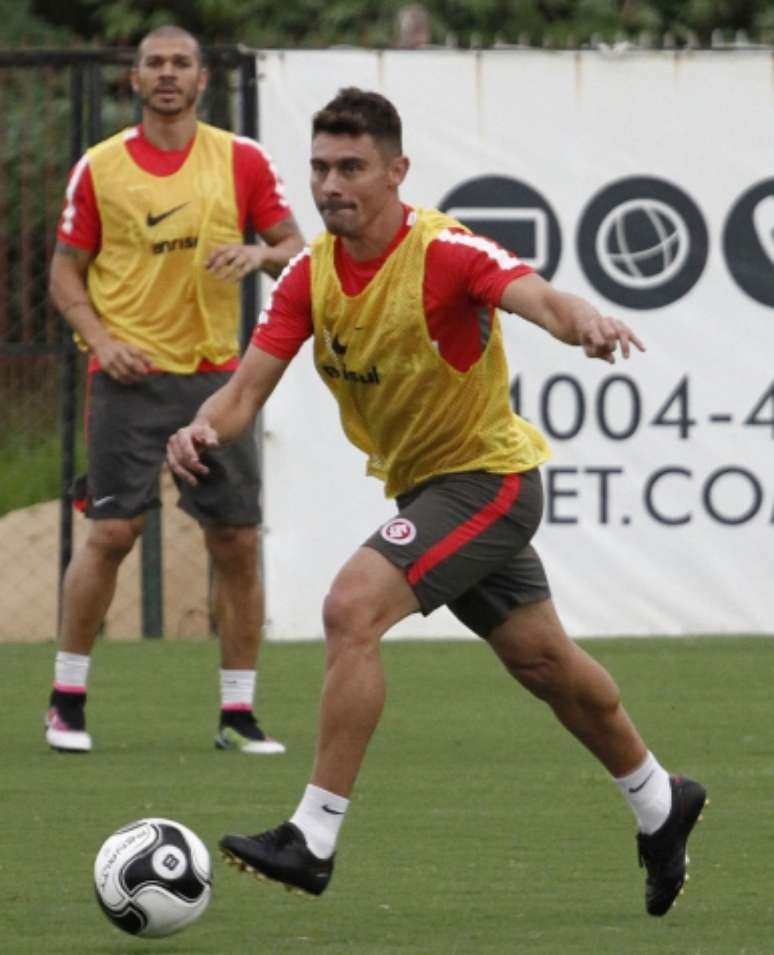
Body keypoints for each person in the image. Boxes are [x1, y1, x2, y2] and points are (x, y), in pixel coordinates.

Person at [166, 88, 707, 916]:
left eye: (351, 168)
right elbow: (241, 395)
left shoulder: (445, 250)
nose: (331, 184)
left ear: (396, 171)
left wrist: (585, 322)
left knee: (353, 606)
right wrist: (199, 431)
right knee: (548, 666)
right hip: (430, 488)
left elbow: (537, 296)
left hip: (489, 483)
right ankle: (659, 801)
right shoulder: (308, 274)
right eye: (319, 167)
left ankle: (312, 835)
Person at [44, 25, 305, 756]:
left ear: (200, 80)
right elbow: (65, 273)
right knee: (111, 532)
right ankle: (66, 701)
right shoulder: (100, 167)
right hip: (128, 378)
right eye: (154, 63)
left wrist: (259, 251)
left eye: (180, 63)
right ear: (134, 80)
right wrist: (102, 340)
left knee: (236, 539)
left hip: (218, 380)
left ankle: (238, 713)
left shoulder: (241, 159)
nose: (167, 74)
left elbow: (296, 246)